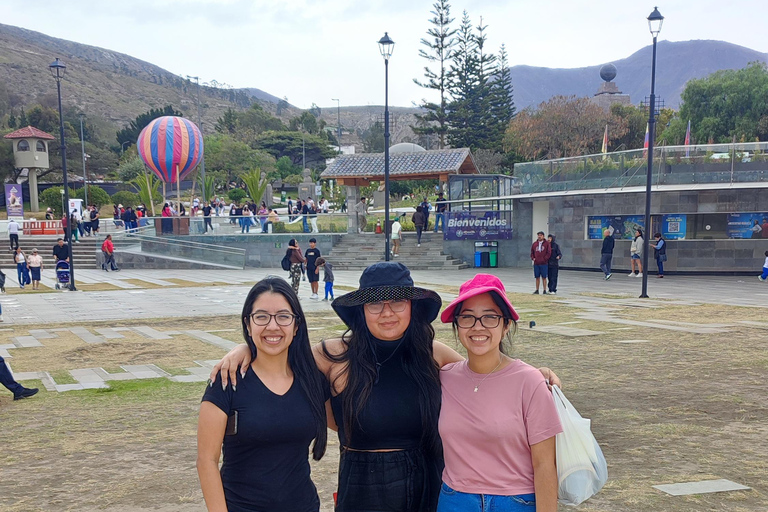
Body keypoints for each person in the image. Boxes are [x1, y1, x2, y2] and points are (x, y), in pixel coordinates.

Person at [210, 262, 563, 512]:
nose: (387, 312)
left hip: (428, 482)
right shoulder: (334, 355)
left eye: (397, 301)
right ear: (362, 310)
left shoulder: (432, 354)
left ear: (412, 307)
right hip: (362, 489)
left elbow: (484, 373)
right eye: (375, 303)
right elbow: (284, 352)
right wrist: (245, 348)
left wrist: (536, 374)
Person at [197, 277, 328, 512]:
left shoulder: (313, 380)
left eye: (283, 316)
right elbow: (206, 461)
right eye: (261, 316)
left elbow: (346, 424)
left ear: (296, 325)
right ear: (248, 323)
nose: (272, 326)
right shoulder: (227, 380)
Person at [437, 274, 561, 511]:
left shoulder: (530, 382)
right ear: (457, 326)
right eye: (467, 318)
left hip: (515, 502)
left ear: (506, 326)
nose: (478, 326)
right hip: (455, 500)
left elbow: (545, 464)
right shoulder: (445, 378)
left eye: (490, 317)